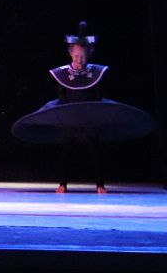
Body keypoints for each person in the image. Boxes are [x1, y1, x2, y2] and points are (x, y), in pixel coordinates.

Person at [11, 22, 155, 194]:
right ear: (70, 54)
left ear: (89, 55)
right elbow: (62, 96)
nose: (79, 60)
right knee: (66, 152)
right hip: (70, 118)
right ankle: (62, 184)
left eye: (82, 57)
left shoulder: (96, 73)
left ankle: (100, 185)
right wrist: (65, 115)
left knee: (95, 152)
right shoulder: (63, 73)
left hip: (90, 119)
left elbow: (98, 96)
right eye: (76, 57)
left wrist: (94, 114)